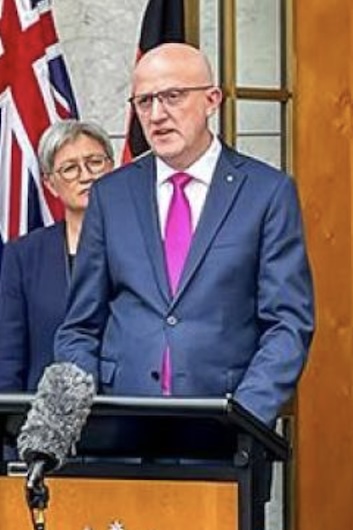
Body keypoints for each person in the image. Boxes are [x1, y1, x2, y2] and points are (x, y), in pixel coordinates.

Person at [54, 43, 314, 426]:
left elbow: (288, 323)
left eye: (172, 97)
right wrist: (91, 410)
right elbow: (79, 325)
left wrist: (247, 414)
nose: (157, 115)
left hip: (226, 427)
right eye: (144, 102)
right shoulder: (111, 194)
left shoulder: (267, 192)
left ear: (212, 100)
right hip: (121, 428)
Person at [0, 120, 114, 391]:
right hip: (47, 418)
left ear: (112, 167)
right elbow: (8, 355)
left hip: (129, 415)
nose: (85, 175)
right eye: (70, 168)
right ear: (50, 184)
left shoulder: (143, 243)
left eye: (95, 162)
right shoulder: (24, 255)